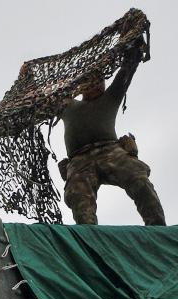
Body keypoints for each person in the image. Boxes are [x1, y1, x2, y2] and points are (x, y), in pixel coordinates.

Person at [54, 45, 166, 226]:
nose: (96, 84)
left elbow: (126, 71)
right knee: (78, 195)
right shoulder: (68, 106)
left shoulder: (110, 98)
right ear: (81, 87)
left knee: (138, 178)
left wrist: (133, 45)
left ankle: (157, 227)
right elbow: (45, 98)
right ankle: (89, 237)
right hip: (79, 160)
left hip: (111, 151)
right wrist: (29, 78)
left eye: (100, 80)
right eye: (90, 81)